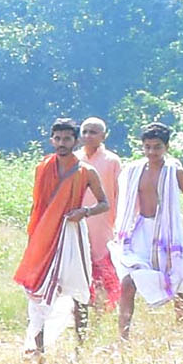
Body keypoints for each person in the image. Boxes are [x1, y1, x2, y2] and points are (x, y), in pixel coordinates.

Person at [12, 118, 110, 359]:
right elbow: (37, 205)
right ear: (51, 140)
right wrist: (34, 235)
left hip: (71, 233)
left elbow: (104, 203)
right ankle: (38, 349)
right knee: (38, 289)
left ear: (75, 141)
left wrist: (84, 212)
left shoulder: (86, 171)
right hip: (44, 235)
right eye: (57, 138)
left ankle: (80, 348)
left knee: (79, 292)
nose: (61, 143)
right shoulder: (43, 167)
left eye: (67, 139)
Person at [110, 123, 183, 339]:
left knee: (177, 283)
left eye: (157, 147)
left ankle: (180, 333)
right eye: (148, 147)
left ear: (166, 147)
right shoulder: (134, 170)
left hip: (167, 234)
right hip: (140, 232)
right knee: (128, 283)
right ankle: (123, 338)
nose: (152, 152)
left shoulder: (174, 171)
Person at [78, 117, 126, 306]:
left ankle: (107, 305)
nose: (88, 136)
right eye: (85, 132)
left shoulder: (112, 161)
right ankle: (84, 305)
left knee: (104, 262)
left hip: (104, 221)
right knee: (82, 262)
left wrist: (120, 222)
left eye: (93, 132)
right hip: (79, 219)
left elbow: (120, 193)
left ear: (104, 136)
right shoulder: (75, 159)